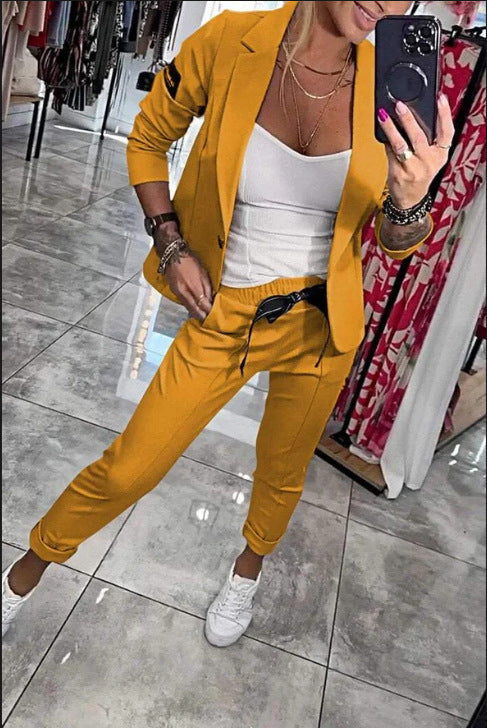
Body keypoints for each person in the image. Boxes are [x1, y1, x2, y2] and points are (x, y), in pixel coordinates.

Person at [2, 0, 454, 647]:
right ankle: (23, 574)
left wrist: (409, 202)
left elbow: (394, 239)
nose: (385, 3)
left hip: (322, 328)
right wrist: (170, 242)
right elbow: (148, 137)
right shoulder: (230, 42)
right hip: (228, 311)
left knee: (281, 473)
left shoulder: (390, 88)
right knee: (130, 467)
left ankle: (247, 571)